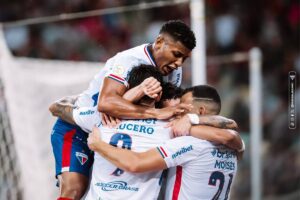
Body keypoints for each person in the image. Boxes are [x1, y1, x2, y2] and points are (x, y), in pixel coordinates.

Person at [50, 20, 196, 200]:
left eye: (184, 58)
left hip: (116, 129)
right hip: (81, 126)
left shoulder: (173, 72)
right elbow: (106, 103)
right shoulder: (128, 60)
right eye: (176, 54)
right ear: (159, 42)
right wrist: (155, 113)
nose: (179, 63)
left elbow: (166, 106)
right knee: (74, 190)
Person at [88, 85, 244, 200]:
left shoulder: (188, 144)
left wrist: (98, 145)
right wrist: (192, 121)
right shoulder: (235, 148)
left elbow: (135, 163)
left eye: (184, 106)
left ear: (201, 111)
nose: (179, 110)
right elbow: (231, 135)